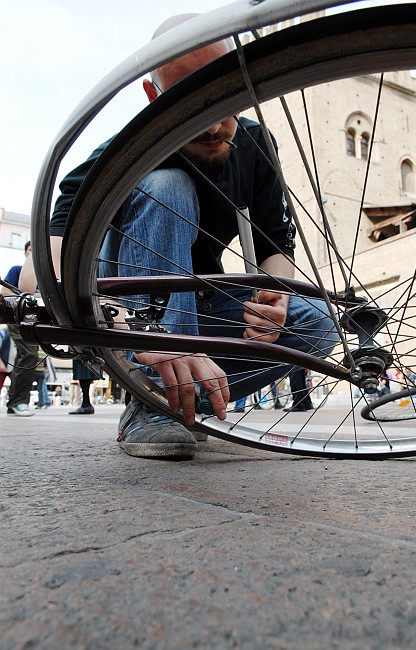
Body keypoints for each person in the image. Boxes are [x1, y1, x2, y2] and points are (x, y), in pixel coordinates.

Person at [19, 14, 338, 457]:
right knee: (168, 186)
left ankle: (187, 398)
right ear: (155, 97)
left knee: (317, 320)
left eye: (223, 96)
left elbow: (274, 244)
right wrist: (127, 324)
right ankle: (152, 398)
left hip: (202, 298)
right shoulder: (116, 154)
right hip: (130, 311)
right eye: (191, 102)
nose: (212, 125)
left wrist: (274, 295)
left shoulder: (254, 143)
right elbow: (36, 276)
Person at [2, 241, 38, 416]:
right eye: (30, 250)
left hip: (35, 320)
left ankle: (15, 401)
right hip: (18, 317)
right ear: (25, 253)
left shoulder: (43, 274)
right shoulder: (17, 270)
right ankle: (18, 401)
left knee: (28, 357)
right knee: (29, 354)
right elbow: (5, 292)